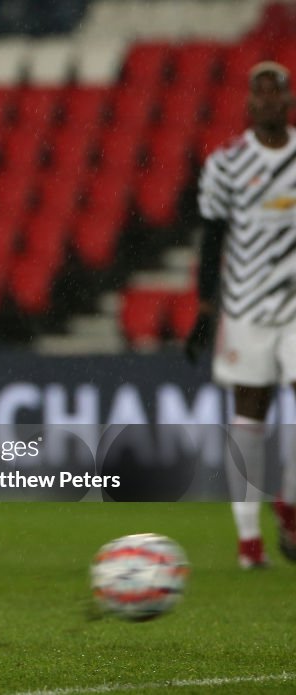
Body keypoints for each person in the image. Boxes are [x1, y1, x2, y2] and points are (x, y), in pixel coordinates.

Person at [186, 61, 296, 569]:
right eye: (260, 92)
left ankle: (289, 498)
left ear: (289, 100)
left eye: (277, 91)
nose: (268, 100)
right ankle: (249, 541)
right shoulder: (227, 163)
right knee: (249, 410)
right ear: (249, 103)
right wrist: (205, 306)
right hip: (247, 305)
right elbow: (212, 238)